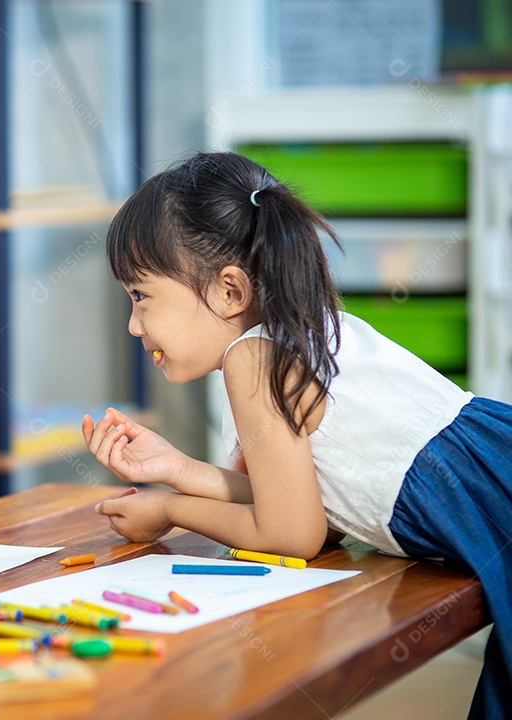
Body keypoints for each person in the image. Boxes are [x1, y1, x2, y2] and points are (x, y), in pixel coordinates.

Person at [83, 151, 511, 718]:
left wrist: (170, 511)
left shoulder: (253, 359)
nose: (135, 324)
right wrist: (177, 469)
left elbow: (291, 534)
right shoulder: (303, 330)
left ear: (231, 292)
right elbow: (313, 512)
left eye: (141, 296)